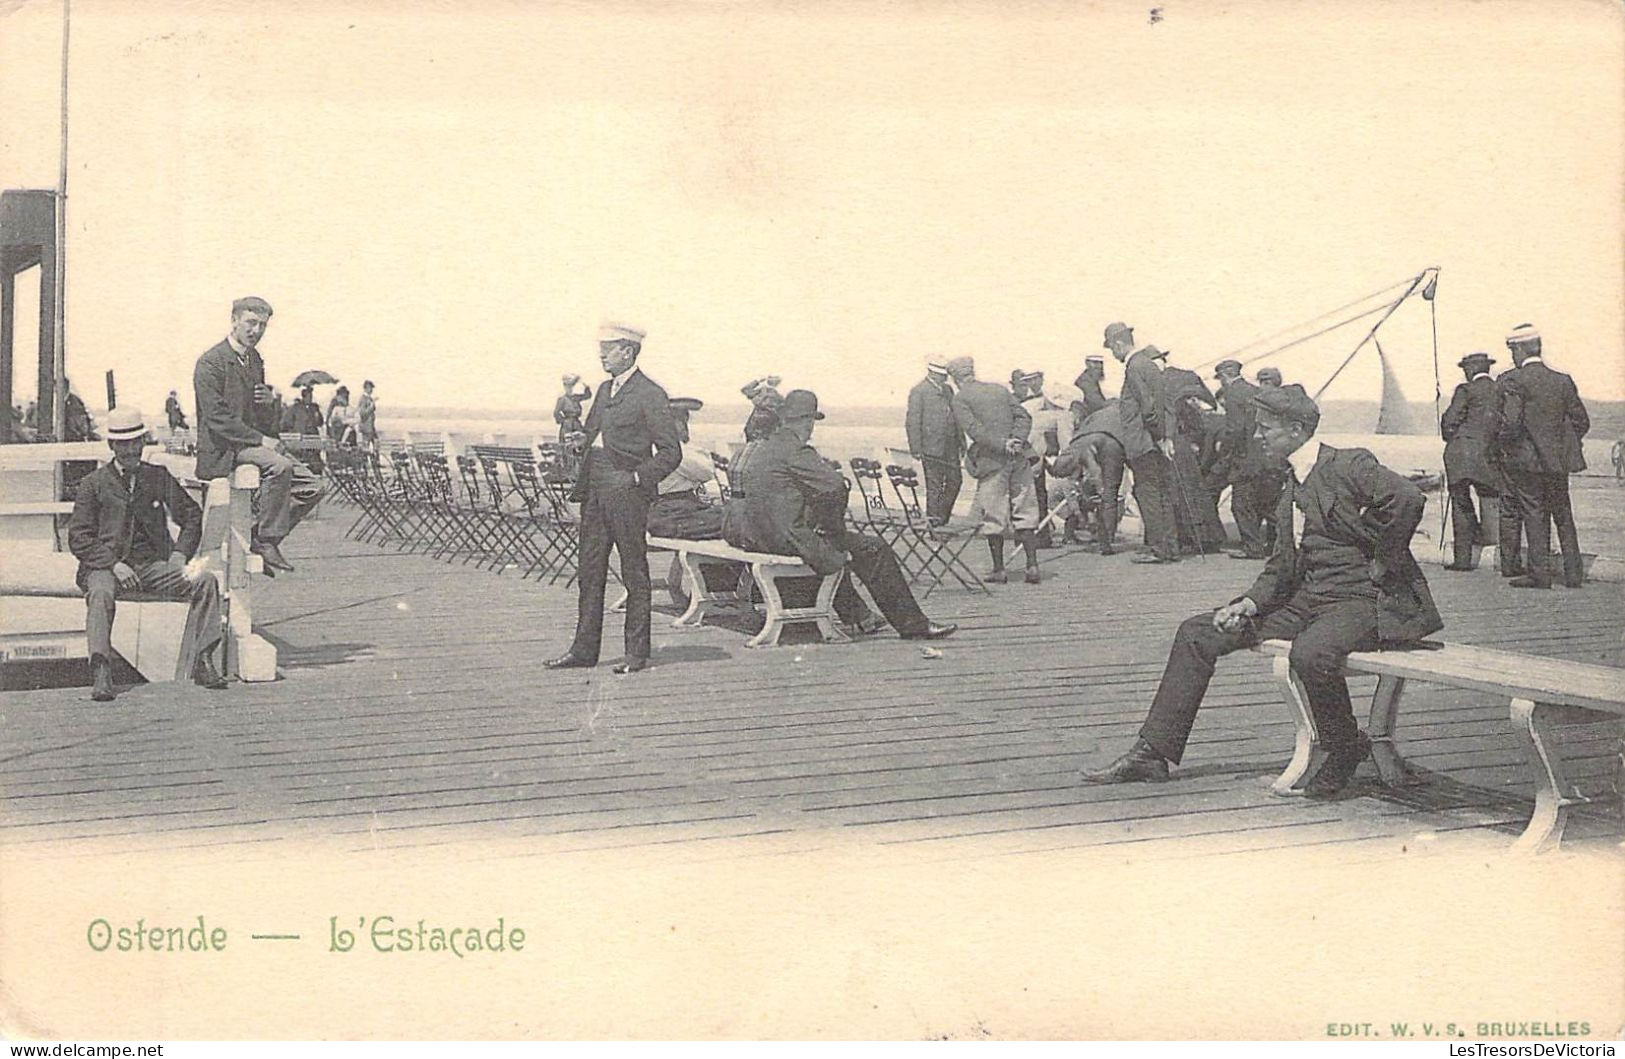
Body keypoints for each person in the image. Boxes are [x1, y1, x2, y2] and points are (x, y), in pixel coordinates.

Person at [1081, 384, 1442, 797]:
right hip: (1308, 601)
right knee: (1197, 632)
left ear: (1296, 428)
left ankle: (1344, 746)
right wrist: (1248, 603)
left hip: (1361, 601)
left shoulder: (1348, 464)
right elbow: (1283, 564)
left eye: (1266, 428)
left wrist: (1382, 559)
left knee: (1310, 652)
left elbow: (1408, 498)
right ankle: (1152, 752)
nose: (1258, 436)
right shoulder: (1290, 481)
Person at [721, 389, 956, 641]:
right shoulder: (797, 451)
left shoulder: (766, 447)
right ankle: (913, 625)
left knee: (834, 546)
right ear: (808, 422)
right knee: (874, 548)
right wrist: (833, 527)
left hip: (756, 535)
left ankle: (858, 616)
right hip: (784, 539)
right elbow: (835, 486)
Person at [545, 322, 683, 674]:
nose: (602, 355)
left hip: (627, 492)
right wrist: (581, 443)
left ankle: (636, 654)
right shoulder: (606, 390)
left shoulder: (650, 393)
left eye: (608, 349)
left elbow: (671, 453)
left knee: (634, 572)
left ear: (629, 351)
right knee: (589, 571)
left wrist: (636, 478)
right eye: (601, 349)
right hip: (595, 487)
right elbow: (594, 433)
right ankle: (583, 651)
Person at [67, 407, 227, 701]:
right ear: (111, 446)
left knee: (204, 579)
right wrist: (113, 564)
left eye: (135, 442)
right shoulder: (94, 483)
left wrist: (180, 554)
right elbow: (78, 537)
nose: (130, 450)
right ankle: (102, 670)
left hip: (152, 566)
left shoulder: (157, 476)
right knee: (100, 593)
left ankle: (204, 659)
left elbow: (191, 515)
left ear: (143, 443)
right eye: (123, 444)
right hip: (105, 567)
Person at [192, 296, 325, 574]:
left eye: (262, 325)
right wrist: (261, 440)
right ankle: (267, 541)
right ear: (234, 320)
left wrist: (268, 404)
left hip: (248, 444)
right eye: (251, 323)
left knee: (314, 487)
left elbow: (262, 420)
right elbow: (216, 418)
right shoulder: (211, 362)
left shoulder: (254, 360)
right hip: (223, 448)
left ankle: (262, 538)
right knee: (280, 465)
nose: (257, 331)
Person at [1496, 323, 1589, 589]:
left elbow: (1511, 424)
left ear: (1523, 349)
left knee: (1534, 514)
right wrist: (1561, 446)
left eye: (1513, 349)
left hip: (1527, 464)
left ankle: (1540, 575)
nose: (1512, 355)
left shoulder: (1515, 380)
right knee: (1563, 514)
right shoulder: (1562, 380)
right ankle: (1573, 574)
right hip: (1558, 463)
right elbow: (1581, 421)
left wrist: (1510, 449)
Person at [947, 356, 1042, 584]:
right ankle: (1032, 565)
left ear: (955, 378)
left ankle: (999, 570)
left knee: (994, 515)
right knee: (1026, 511)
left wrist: (1001, 445)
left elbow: (974, 431)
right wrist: (1017, 440)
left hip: (992, 462)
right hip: (1019, 457)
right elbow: (1023, 416)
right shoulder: (999, 390)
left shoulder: (960, 399)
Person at [1105, 323, 1179, 564]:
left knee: (1147, 492)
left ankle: (1158, 548)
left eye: (1112, 349)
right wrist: (1165, 437)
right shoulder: (1149, 364)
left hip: (1143, 441)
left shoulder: (1134, 366)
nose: (1113, 355)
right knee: (1162, 493)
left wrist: (1158, 436)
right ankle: (1169, 547)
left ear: (1118, 343)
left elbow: (1147, 408)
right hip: (1156, 440)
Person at [1211, 359, 1282, 560]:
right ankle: (1274, 544)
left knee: (1240, 504)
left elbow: (1235, 429)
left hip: (1244, 457)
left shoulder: (1233, 393)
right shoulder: (1253, 390)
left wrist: (1223, 449)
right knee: (1263, 503)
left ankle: (1252, 547)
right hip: (1264, 456)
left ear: (1225, 376)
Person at [1439, 352, 1503, 572]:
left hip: (1459, 455)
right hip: (1489, 455)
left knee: (1460, 503)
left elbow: (1449, 420)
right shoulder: (1500, 390)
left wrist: (1452, 436)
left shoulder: (1464, 390)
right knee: (1492, 499)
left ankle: (1463, 560)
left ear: (1470, 370)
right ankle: (1497, 550)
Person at [1160, 362, 1226, 553]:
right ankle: (1207, 537)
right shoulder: (1187, 390)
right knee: (1195, 493)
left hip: (1177, 449)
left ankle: (1192, 538)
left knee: (1183, 494)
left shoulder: (1174, 400)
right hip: (1185, 449)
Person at [1052, 399, 1128, 554]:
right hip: (1113, 444)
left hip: (1085, 443)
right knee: (1109, 494)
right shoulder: (1123, 412)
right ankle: (1107, 540)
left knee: (1101, 493)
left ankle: (1103, 539)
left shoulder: (1094, 416)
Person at [647, 396, 723, 540]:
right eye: (681, 421)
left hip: (659, 511)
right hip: (671, 512)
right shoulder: (674, 450)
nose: (684, 426)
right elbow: (706, 472)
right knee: (730, 520)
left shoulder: (650, 445)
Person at [905, 360, 963, 525]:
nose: (944, 379)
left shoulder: (948, 390)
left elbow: (956, 416)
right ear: (931, 373)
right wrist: (916, 448)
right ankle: (934, 525)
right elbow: (913, 421)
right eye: (941, 375)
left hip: (951, 445)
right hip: (931, 448)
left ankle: (941, 519)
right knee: (934, 486)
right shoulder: (919, 391)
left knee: (956, 481)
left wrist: (962, 443)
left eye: (945, 375)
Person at [553, 373, 591, 445]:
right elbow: (556, 413)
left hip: (577, 423)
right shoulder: (562, 399)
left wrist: (585, 385)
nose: (569, 388)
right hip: (567, 425)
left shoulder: (576, 398)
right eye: (567, 386)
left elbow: (588, 396)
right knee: (566, 444)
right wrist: (563, 421)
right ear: (564, 387)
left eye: (571, 386)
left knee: (581, 442)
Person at [357, 380, 379, 452]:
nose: (371, 390)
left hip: (370, 427)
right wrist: (371, 406)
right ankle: (367, 461)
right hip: (366, 427)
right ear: (366, 388)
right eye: (370, 388)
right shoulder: (363, 399)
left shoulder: (369, 398)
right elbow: (362, 413)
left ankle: (374, 460)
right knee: (366, 447)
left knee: (375, 444)